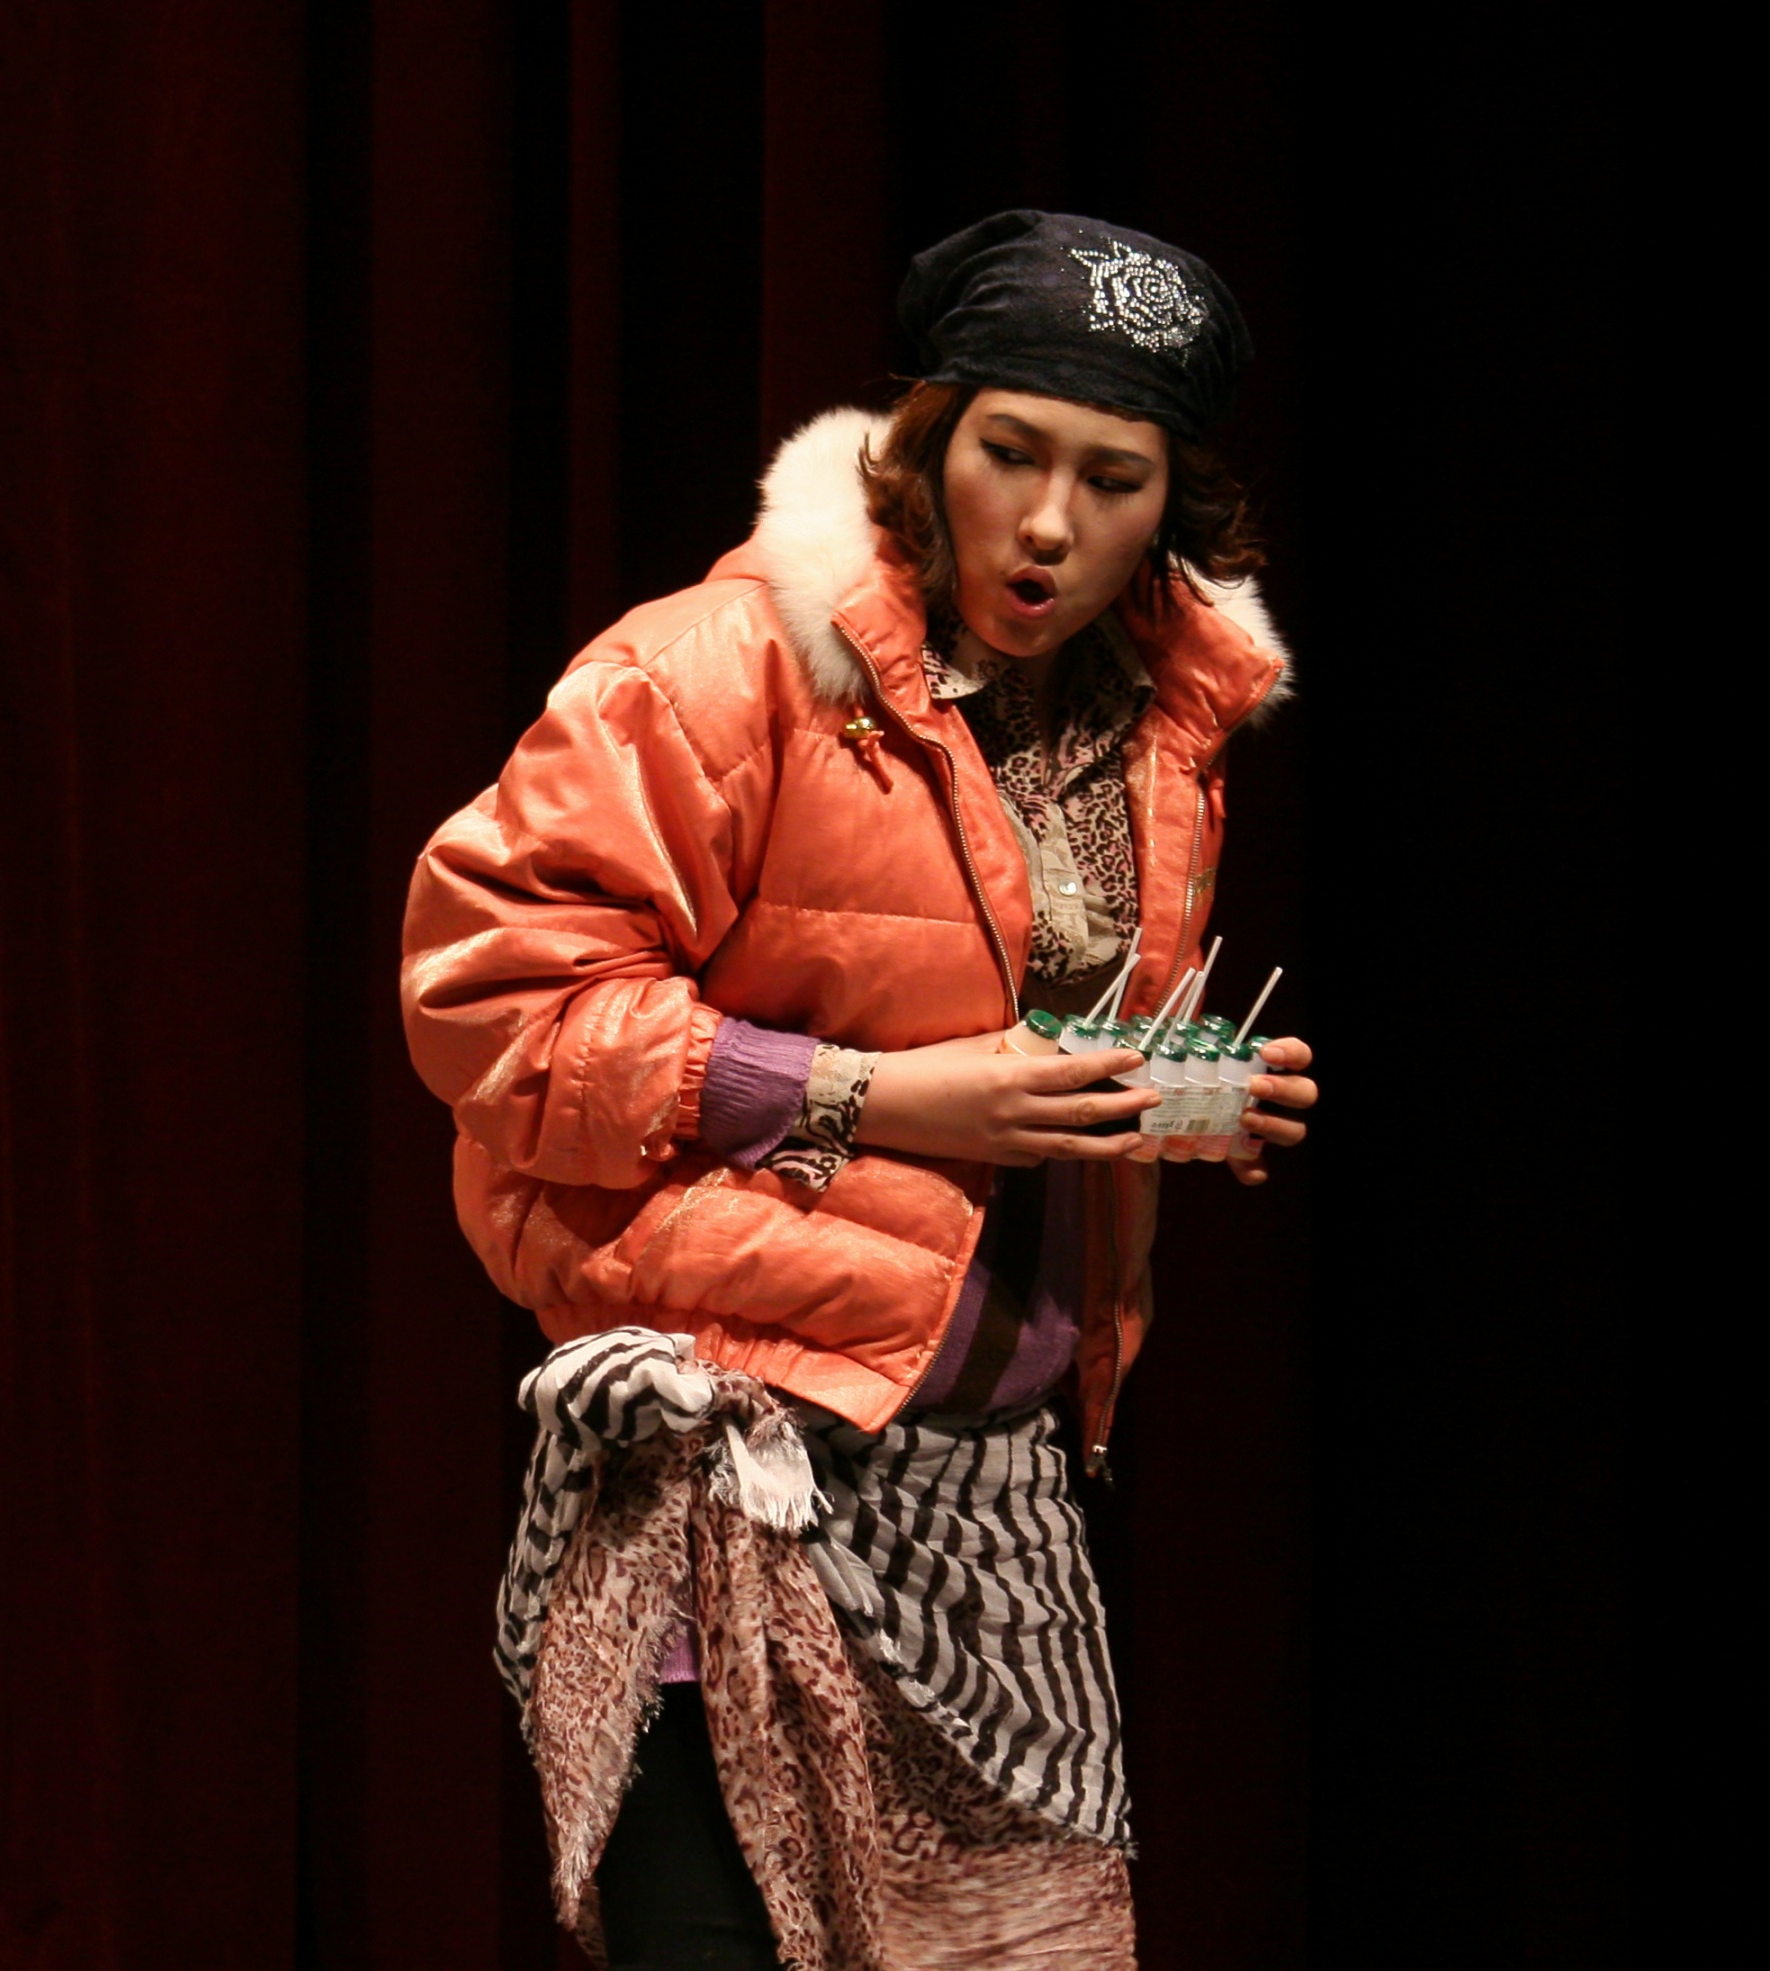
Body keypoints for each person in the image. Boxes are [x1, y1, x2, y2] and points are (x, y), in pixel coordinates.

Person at [401, 210, 1317, 1970]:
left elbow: (1008, 1043)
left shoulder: (1156, 731)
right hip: (731, 1473)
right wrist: (873, 1096)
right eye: (1010, 453)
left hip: (996, 1503)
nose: (1047, 521)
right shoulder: (718, 662)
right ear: (925, 446)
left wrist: (1163, 1103)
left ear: (1171, 509)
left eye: (1110, 478)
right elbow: (496, 1004)